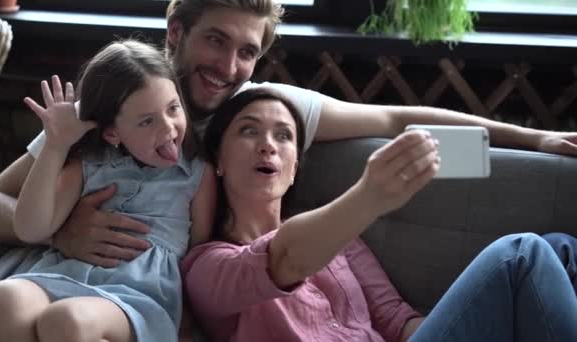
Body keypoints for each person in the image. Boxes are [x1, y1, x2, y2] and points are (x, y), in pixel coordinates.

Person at [0, 0, 577, 272]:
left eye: (247, 52)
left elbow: (398, 123)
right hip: (80, 283)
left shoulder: (265, 112)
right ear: (175, 33)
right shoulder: (117, 103)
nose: (229, 67)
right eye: (215, 40)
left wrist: (534, 140)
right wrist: (62, 223)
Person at [181, 87, 577, 342]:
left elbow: (397, 321)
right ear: (218, 160)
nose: (269, 145)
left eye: (284, 135)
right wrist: (369, 195)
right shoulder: (206, 267)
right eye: (249, 131)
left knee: (560, 249)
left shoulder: (344, 241)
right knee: (521, 255)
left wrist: (477, 319)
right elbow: (283, 258)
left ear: (296, 168)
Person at [0, 39, 215, 342]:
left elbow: (199, 256)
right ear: (113, 133)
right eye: (146, 121)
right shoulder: (89, 165)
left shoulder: (196, 173)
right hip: (63, 275)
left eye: (173, 109)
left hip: (136, 296)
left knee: (66, 320)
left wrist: (191, 319)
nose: (168, 128)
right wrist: (55, 146)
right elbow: (30, 228)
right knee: (3, 298)